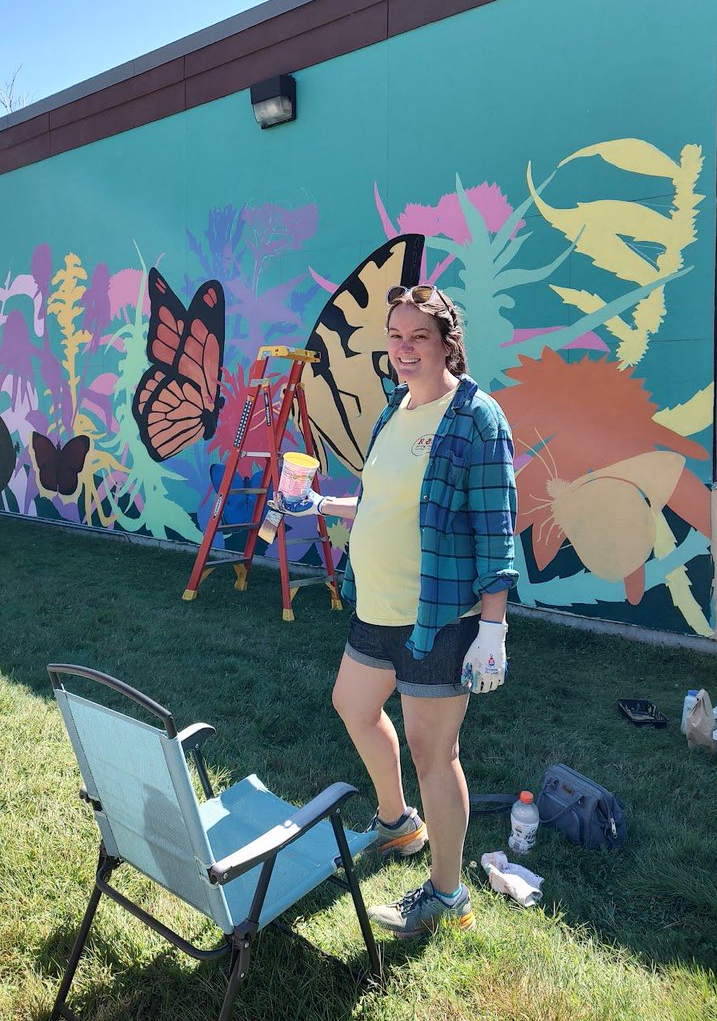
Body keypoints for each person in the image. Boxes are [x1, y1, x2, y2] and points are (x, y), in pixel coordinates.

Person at [278, 283, 517, 939]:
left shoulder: (475, 416)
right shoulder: (395, 409)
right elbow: (379, 501)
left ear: (447, 343)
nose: (404, 349)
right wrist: (321, 508)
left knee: (433, 751)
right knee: (353, 705)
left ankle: (447, 892)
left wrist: (491, 627)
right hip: (377, 606)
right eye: (395, 337)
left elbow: (496, 528)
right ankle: (397, 823)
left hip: (439, 613)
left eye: (418, 337)